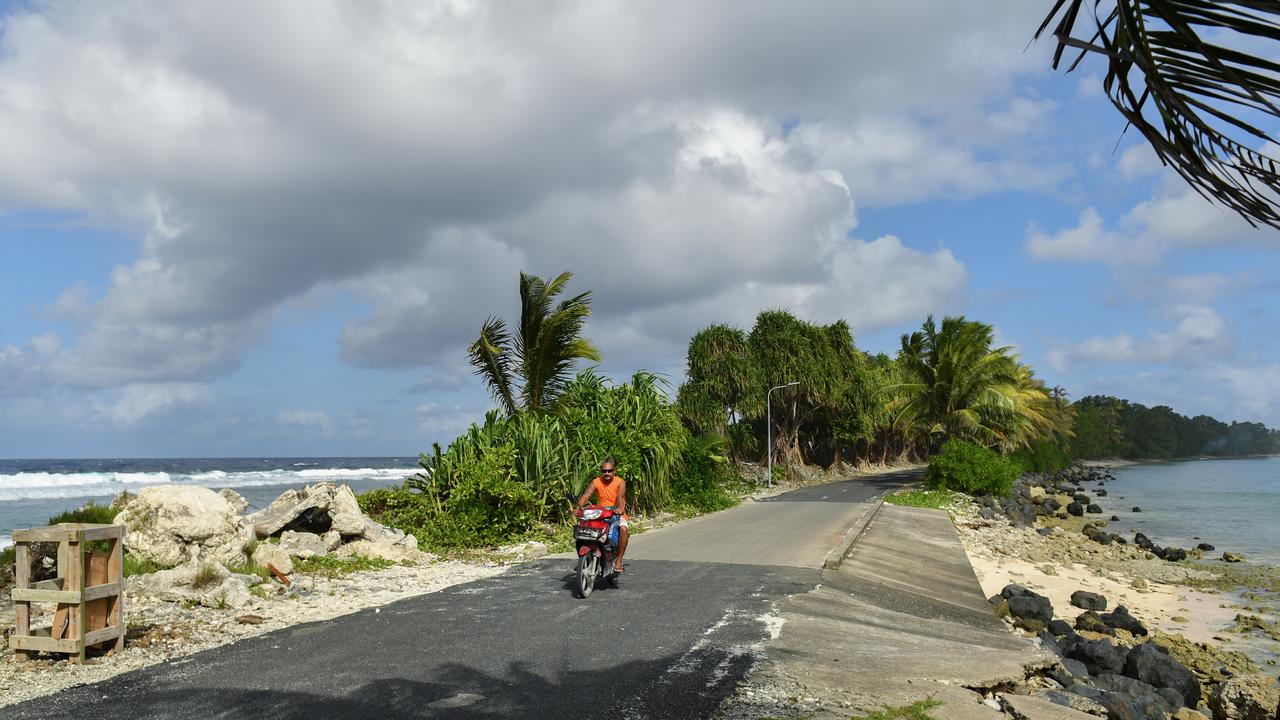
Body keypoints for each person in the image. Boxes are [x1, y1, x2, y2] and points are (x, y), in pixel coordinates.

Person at [575, 456, 628, 573]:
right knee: (585, 530)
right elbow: (586, 495)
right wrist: (577, 508)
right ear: (601, 471)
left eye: (609, 471)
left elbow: (620, 496)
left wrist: (619, 509)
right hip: (600, 513)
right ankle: (586, 558)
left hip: (616, 513)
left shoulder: (620, 482)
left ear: (614, 471)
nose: (607, 473)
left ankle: (619, 560)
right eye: (604, 471)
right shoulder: (596, 482)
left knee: (623, 529)